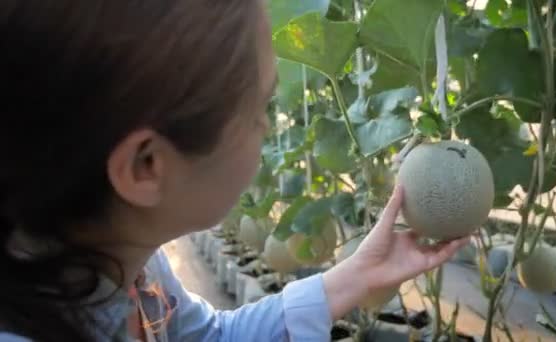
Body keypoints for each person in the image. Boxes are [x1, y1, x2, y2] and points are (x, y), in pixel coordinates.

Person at [0, 1, 470, 341]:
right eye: (257, 110)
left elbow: (206, 338)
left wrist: (357, 275)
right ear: (146, 166)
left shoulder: (129, 263)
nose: (267, 126)